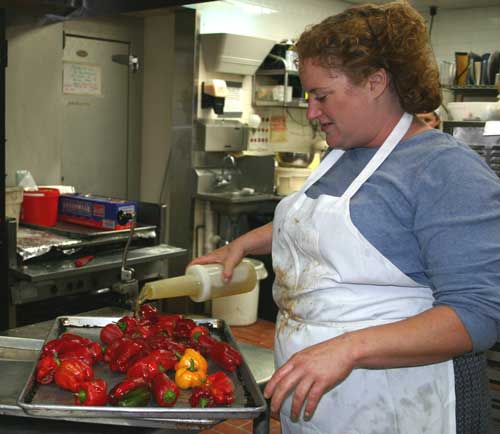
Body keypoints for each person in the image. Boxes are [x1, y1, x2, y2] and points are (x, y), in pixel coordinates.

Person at [189, 2, 500, 433]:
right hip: (320, 400)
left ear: (375, 82)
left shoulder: (446, 171)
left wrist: (348, 349)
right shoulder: (343, 155)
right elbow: (317, 226)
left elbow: (478, 315)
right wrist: (242, 244)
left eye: (321, 95)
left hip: (401, 402)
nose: (312, 112)